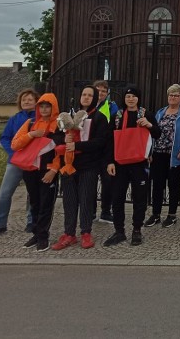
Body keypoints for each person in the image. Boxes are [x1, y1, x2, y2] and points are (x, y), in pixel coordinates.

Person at [51, 85, 110, 250]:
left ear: (95, 98)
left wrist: (78, 145)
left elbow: (101, 142)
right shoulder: (68, 116)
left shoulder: (99, 117)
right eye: (84, 94)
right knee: (69, 200)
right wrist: (64, 139)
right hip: (68, 165)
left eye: (90, 95)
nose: (86, 97)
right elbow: (56, 135)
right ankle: (69, 233)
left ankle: (85, 232)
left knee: (85, 199)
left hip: (89, 165)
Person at [104, 87, 161, 247]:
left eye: (134, 96)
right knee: (117, 197)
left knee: (140, 198)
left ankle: (137, 229)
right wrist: (109, 162)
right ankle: (119, 231)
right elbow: (109, 141)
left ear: (139, 98)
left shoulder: (146, 114)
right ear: (124, 98)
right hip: (120, 163)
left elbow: (157, 134)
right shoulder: (117, 116)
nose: (131, 99)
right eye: (128, 96)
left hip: (139, 163)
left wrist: (149, 125)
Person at [11, 93, 64, 252]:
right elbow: (15, 144)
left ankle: (43, 236)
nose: (44, 109)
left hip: (48, 171)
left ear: (53, 107)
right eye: (41, 105)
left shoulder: (59, 125)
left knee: (46, 205)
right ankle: (35, 233)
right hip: (30, 170)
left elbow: (61, 152)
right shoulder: (30, 123)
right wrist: (31, 134)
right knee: (34, 203)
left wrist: (54, 170)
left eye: (47, 106)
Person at [0, 89, 38, 239]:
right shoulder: (14, 119)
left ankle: (31, 221)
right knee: (5, 193)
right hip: (15, 161)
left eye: (30, 99)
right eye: (24, 100)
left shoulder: (40, 118)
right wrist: (13, 153)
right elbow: (5, 138)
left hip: (33, 161)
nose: (26, 102)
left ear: (36, 102)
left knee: (31, 194)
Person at [145, 84, 180, 229]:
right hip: (158, 153)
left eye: (176, 95)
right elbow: (153, 132)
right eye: (170, 95)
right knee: (157, 185)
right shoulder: (161, 112)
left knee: (173, 185)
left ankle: (172, 215)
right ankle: (155, 214)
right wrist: (150, 152)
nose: (173, 97)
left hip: (176, 155)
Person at [93, 79, 119, 223]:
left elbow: (115, 124)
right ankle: (90, 211)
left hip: (106, 149)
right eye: (98, 90)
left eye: (104, 91)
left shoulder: (111, 106)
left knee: (107, 181)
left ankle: (105, 211)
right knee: (90, 182)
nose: (101, 93)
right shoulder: (87, 106)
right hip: (90, 150)